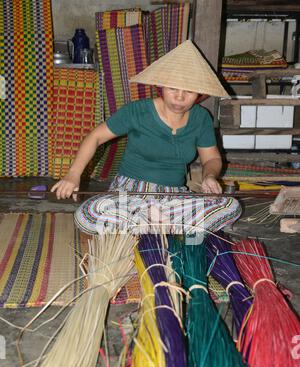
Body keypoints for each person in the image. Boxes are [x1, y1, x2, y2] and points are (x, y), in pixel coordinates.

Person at [51, 40, 241, 235]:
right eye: (173, 88)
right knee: (87, 215)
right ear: (161, 86)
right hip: (128, 193)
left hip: (173, 196)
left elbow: (211, 158)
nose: (179, 97)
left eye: (189, 91)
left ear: (199, 94)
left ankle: (146, 224)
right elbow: (95, 137)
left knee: (230, 206)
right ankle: (164, 225)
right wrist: (73, 174)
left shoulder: (201, 118)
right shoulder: (138, 111)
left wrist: (209, 176)